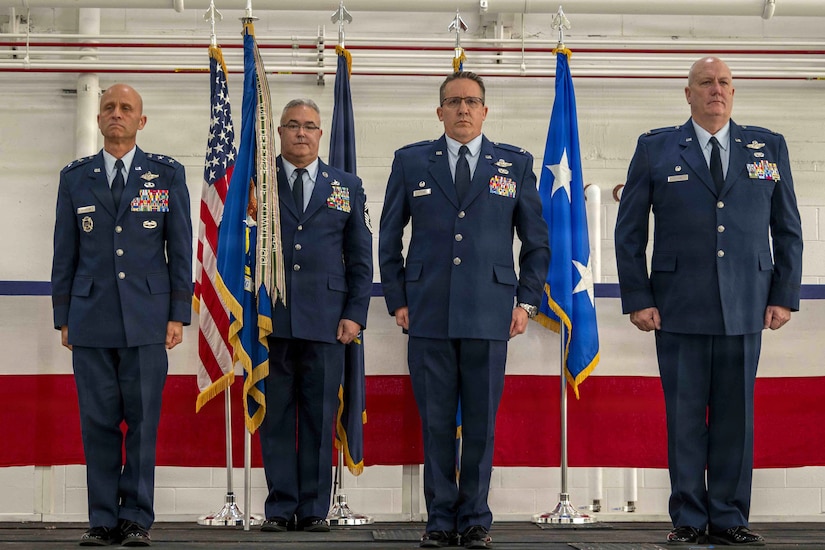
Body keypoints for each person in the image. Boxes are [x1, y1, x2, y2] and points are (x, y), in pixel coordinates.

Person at [614, 57, 803, 546]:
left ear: (733, 93)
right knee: (684, 420)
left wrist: (783, 295)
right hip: (677, 306)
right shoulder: (655, 149)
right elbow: (630, 231)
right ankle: (689, 519)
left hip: (746, 303)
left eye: (723, 83)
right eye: (705, 83)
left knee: (735, 419)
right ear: (688, 94)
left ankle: (730, 516)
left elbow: (788, 229)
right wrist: (637, 296)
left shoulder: (768, 147)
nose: (715, 90)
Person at [378, 71, 550, 549]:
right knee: (434, 422)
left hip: (490, 312)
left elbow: (536, 242)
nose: (463, 110)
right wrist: (398, 299)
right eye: (453, 102)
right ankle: (439, 518)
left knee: (480, 422)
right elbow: (388, 237)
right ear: (439, 111)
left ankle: (475, 518)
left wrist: (527, 301)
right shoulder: (412, 162)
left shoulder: (513, 164)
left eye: (472, 102)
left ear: (485, 110)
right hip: (427, 310)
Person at [51, 83, 192, 547]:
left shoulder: (166, 175)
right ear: (98, 119)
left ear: (141, 121)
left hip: (148, 319)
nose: (117, 114)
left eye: (126, 108)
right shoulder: (75, 178)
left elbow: (180, 248)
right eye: (109, 107)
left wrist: (178, 313)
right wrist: (63, 315)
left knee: (144, 422)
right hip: (90, 317)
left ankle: (136, 518)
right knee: (98, 422)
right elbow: (64, 253)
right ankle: (102, 518)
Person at [258, 99, 373, 534]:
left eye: (309, 126)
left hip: (328, 322)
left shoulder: (346, 185)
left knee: (319, 418)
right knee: (277, 417)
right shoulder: (257, 181)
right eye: (292, 126)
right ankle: (279, 507)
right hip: (272, 319)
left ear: (321, 134)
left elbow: (360, 258)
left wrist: (355, 314)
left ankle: (312, 509)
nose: (301, 133)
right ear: (281, 132)